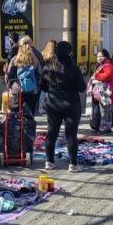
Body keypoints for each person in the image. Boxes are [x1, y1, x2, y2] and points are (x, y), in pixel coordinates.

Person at [40, 41, 86, 172]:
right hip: (71, 105)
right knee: (71, 134)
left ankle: (49, 161)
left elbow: (42, 86)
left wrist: (52, 89)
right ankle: (73, 164)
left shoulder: (49, 66)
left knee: (51, 132)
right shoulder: (73, 67)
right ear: (69, 52)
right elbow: (82, 87)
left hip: (53, 104)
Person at [7, 43, 41, 120]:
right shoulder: (35, 60)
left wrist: (12, 86)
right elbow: (39, 75)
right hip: (32, 90)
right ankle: (28, 130)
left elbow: (9, 74)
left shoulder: (15, 59)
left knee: (15, 113)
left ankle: (16, 130)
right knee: (30, 114)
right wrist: (37, 88)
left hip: (17, 90)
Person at [88, 49, 113, 134]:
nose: (99, 58)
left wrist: (95, 76)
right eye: (97, 56)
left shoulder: (108, 65)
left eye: (101, 56)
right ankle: (101, 126)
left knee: (105, 110)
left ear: (106, 56)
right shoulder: (101, 65)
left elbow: (106, 76)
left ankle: (105, 127)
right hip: (100, 92)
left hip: (105, 92)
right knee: (102, 110)